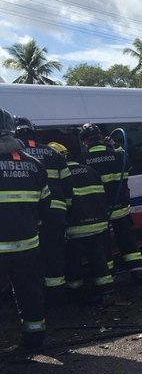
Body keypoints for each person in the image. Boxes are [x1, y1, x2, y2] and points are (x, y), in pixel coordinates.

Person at [0, 110, 49, 348]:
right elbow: (45, 204)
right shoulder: (35, 165)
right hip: (27, 245)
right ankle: (34, 337)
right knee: (29, 291)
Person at [78, 123, 142, 283]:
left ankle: (109, 275)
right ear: (101, 137)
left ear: (85, 141)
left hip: (99, 211)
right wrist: (115, 146)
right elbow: (128, 164)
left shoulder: (83, 160)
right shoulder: (117, 155)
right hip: (121, 207)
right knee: (128, 241)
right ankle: (137, 272)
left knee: (104, 245)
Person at [14, 118, 73, 301]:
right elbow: (68, 185)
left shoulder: (16, 154)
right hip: (55, 213)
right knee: (54, 251)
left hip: (28, 215)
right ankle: (56, 293)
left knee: (30, 255)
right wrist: (66, 207)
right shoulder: (52, 152)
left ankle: (35, 293)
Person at [48, 142, 113, 304]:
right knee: (98, 258)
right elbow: (102, 196)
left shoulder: (59, 177)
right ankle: (106, 290)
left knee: (73, 262)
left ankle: (76, 293)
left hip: (74, 227)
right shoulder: (90, 170)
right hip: (97, 224)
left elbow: (63, 203)